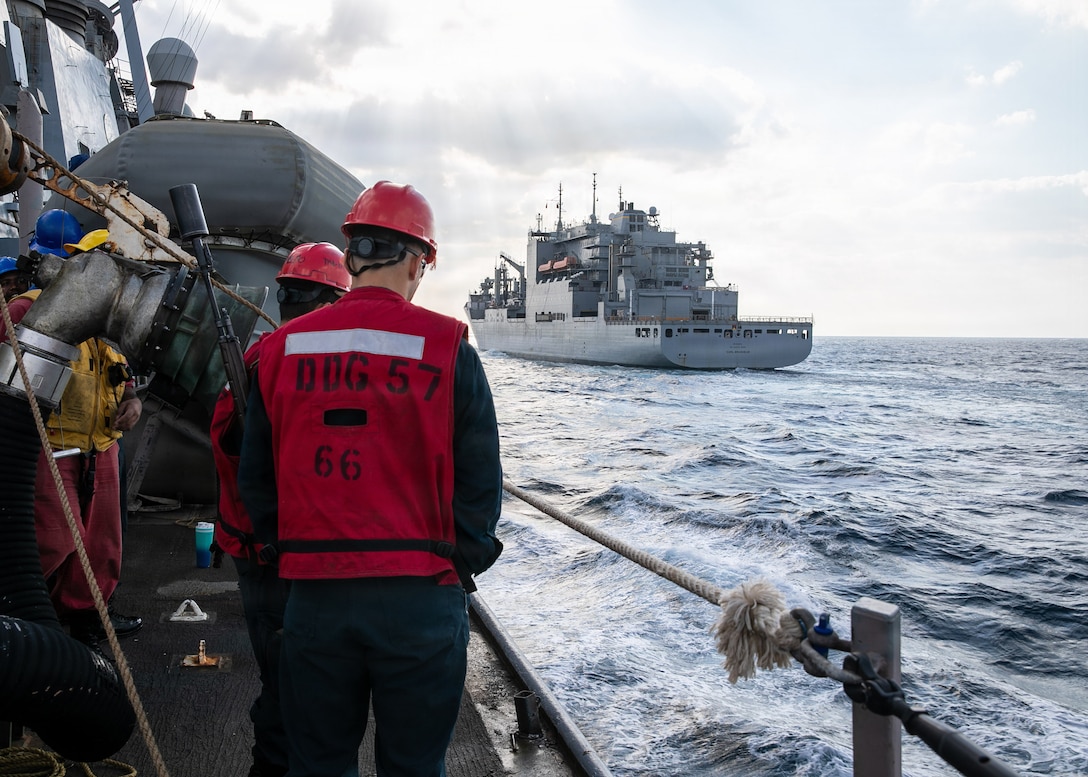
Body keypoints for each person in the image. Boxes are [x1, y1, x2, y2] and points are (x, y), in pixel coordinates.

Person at [237, 181, 504, 777]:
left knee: (318, 765)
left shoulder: (279, 350)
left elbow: (256, 478)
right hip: (421, 593)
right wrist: (461, 562)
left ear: (352, 254)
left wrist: (292, 554)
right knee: (414, 766)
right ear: (418, 260)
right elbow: (482, 481)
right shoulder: (447, 346)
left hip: (314, 596)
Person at [210, 242, 351, 777]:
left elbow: (229, 451)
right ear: (334, 298)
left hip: (257, 550)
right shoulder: (313, 363)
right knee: (298, 690)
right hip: (289, 555)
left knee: (283, 681)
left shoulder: (256, 357)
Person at [1, 213, 143, 648]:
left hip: (100, 444)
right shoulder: (25, 310)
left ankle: (88, 618)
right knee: (53, 540)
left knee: (101, 545)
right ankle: (25, 617)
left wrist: (134, 399)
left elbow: (123, 369)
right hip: (50, 445)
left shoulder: (107, 318)